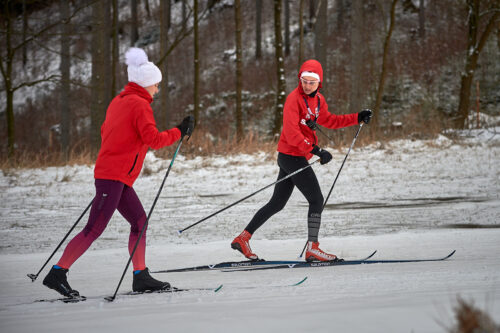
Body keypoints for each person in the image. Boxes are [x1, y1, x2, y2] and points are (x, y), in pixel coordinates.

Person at [43, 48, 194, 297]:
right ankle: (57, 273)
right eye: (156, 85)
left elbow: (106, 132)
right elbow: (154, 140)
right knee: (93, 229)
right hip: (113, 176)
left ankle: (140, 275)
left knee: (139, 222)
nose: (157, 89)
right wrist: (179, 130)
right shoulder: (140, 105)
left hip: (117, 176)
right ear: (147, 84)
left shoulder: (119, 100)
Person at [231, 59, 372, 262]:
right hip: (291, 156)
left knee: (277, 203)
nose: (307, 85)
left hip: (295, 156)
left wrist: (357, 117)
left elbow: (330, 120)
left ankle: (242, 238)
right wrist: (316, 150)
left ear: (319, 83)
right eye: (304, 81)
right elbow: (291, 133)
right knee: (316, 199)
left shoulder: (319, 101)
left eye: (311, 82)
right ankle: (312, 248)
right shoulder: (293, 99)